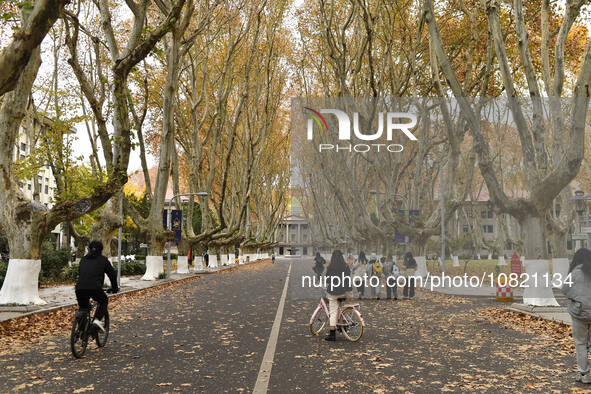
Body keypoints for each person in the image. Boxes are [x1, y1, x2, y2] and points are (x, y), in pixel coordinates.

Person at [75, 240, 118, 332]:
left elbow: (80, 273)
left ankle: (82, 330)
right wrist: (115, 288)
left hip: (79, 288)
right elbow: (112, 275)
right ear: (101, 250)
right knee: (103, 301)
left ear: (89, 249)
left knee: (83, 308)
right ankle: (97, 320)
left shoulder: (83, 259)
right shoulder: (103, 260)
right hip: (95, 288)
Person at [562, 248, 591, 384]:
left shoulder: (575, 273)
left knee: (580, 343)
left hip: (579, 313)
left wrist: (577, 299)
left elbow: (565, 290)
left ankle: (584, 373)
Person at [324, 250, 352, 341]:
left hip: (333, 292)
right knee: (339, 308)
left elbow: (327, 280)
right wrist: (349, 291)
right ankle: (341, 324)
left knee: (333, 312)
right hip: (342, 292)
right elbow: (348, 280)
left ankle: (332, 334)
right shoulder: (345, 266)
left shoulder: (330, 267)